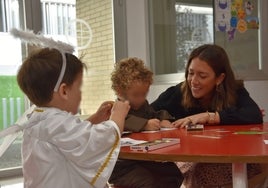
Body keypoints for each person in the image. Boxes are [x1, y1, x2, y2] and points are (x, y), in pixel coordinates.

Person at [150, 44, 264, 187]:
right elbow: (148, 111)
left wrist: (210, 116)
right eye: (191, 73)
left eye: (202, 76)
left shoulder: (235, 90)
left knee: (258, 166)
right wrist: (162, 119)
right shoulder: (178, 92)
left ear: (220, 78)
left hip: (227, 155)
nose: (193, 81)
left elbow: (253, 114)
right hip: (192, 157)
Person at [16, 47, 130, 188]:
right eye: (79, 87)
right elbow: (96, 140)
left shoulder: (41, 118)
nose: (80, 93)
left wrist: (96, 118)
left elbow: (67, 139)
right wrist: (117, 117)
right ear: (64, 91)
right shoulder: (56, 122)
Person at [109, 57, 184, 188]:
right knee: (150, 182)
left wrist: (163, 119)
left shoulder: (143, 104)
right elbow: (123, 121)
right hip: (122, 167)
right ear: (120, 91)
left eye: (144, 94)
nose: (141, 99)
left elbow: (153, 114)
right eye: (136, 95)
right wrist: (145, 124)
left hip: (143, 160)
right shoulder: (117, 107)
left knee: (174, 173)